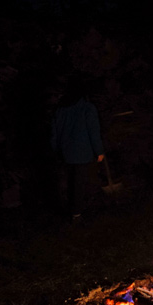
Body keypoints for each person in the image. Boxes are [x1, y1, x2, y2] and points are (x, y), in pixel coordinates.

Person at [50, 75, 105, 222]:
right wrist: (99, 151)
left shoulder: (60, 110)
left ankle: (68, 208)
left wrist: (56, 150)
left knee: (68, 181)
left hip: (65, 153)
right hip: (82, 153)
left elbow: (54, 133)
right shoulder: (87, 108)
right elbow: (94, 132)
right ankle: (76, 213)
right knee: (78, 183)